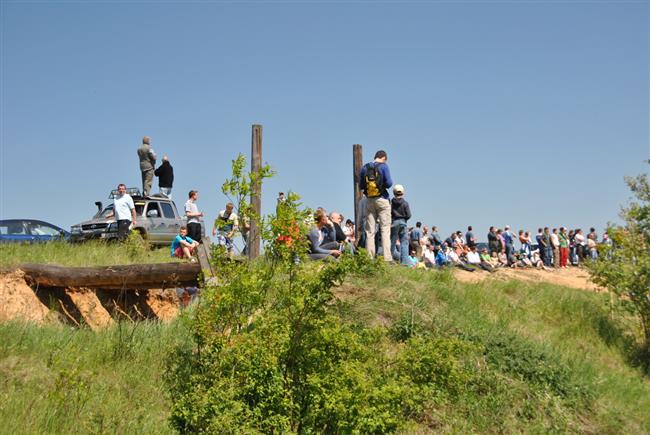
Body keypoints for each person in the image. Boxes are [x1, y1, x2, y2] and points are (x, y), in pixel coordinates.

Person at [359, 150, 393, 261]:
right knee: (385, 229)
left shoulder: (365, 168)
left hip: (369, 200)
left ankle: (369, 257)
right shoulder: (384, 166)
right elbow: (389, 183)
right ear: (384, 157)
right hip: (382, 199)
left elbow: (361, 185)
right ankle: (387, 258)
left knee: (370, 231)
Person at [390, 184, 411, 265]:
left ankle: (389, 258)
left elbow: (390, 212)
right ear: (403, 193)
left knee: (392, 241)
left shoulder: (391, 202)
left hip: (394, 222)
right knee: (404, 242)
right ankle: (404, 262)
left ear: (394, 192)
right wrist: (404, 219)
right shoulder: (405, 203)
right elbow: (409, 215)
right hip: (403, 222)